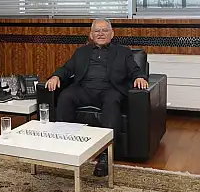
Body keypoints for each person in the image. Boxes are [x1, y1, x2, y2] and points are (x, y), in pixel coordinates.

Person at [44, 19, 149, 177]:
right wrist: (56, 76)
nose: (100, 34)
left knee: (112, 101)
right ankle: (65, 146)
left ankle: (106, 155)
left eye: (104, 30)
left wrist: (140, 77)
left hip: (110, 90)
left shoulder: (123, 52)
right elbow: (67, 68)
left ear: (112, 34)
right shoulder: (81, 52)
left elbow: (134, 69)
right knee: (66, 96)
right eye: (97, 31)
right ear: (91, 35)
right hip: (84, 89)